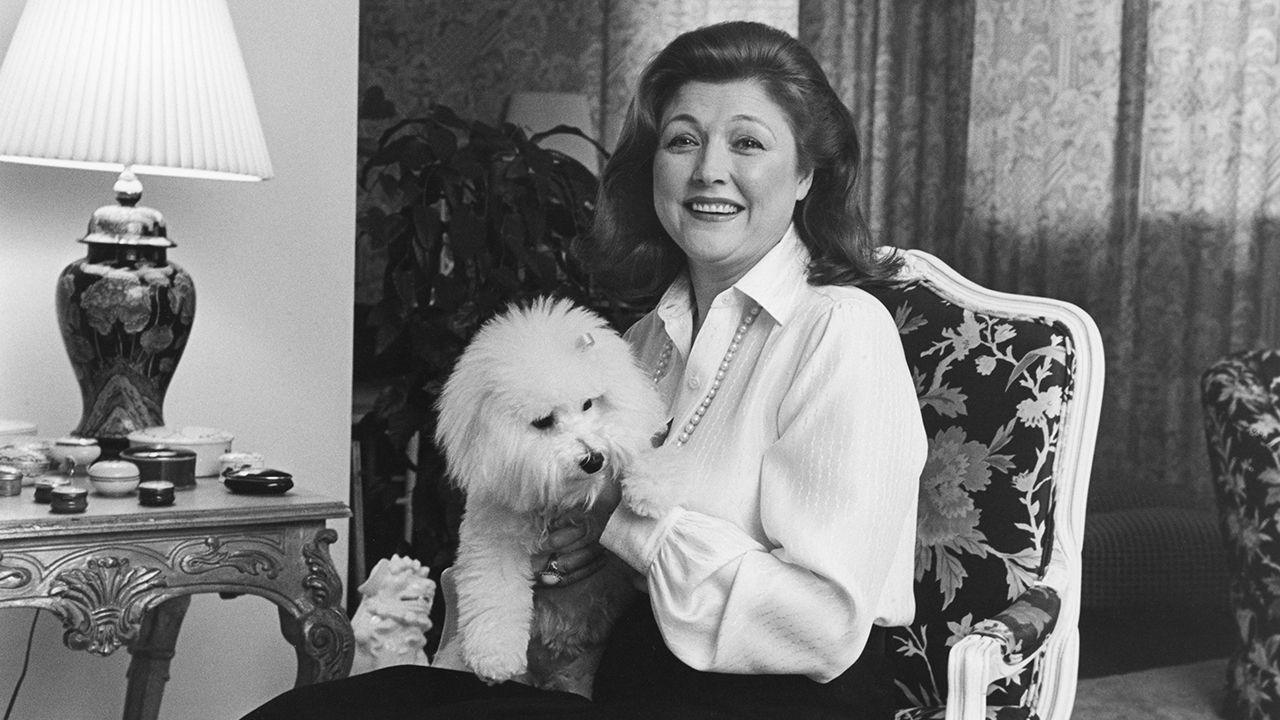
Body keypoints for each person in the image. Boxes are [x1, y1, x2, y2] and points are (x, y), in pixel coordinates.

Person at [242, 20, 925, 720]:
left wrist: (625, 529)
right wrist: (557, 553)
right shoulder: (639, 341)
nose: (708, 171)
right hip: (614, 676)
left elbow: (823, 627)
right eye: (683, 139)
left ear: (808, 173)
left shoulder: (840, 330)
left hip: (773, 702)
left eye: (747, 143)